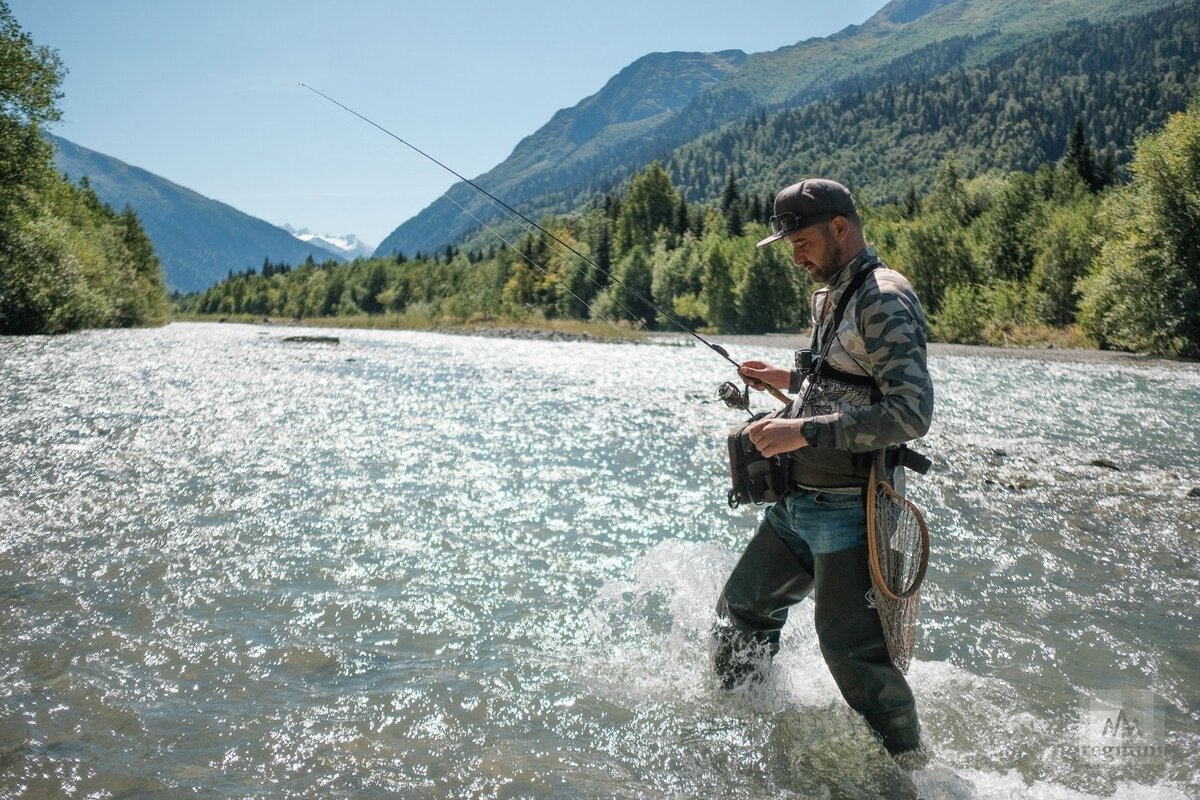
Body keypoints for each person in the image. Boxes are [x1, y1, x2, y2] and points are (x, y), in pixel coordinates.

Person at [712, 178, 933, 758]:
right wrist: (783, 381)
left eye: (802, 240)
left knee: (851, 655)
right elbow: (842, 382)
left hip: (850, 508)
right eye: (787, 244)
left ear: (841, 228)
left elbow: (910, 413)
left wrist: (799, 430)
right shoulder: (831, 293)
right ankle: (743, 729)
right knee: (742, 610)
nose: (795, 255)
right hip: (798, 501)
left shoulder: (884, 296)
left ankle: (911, 773)